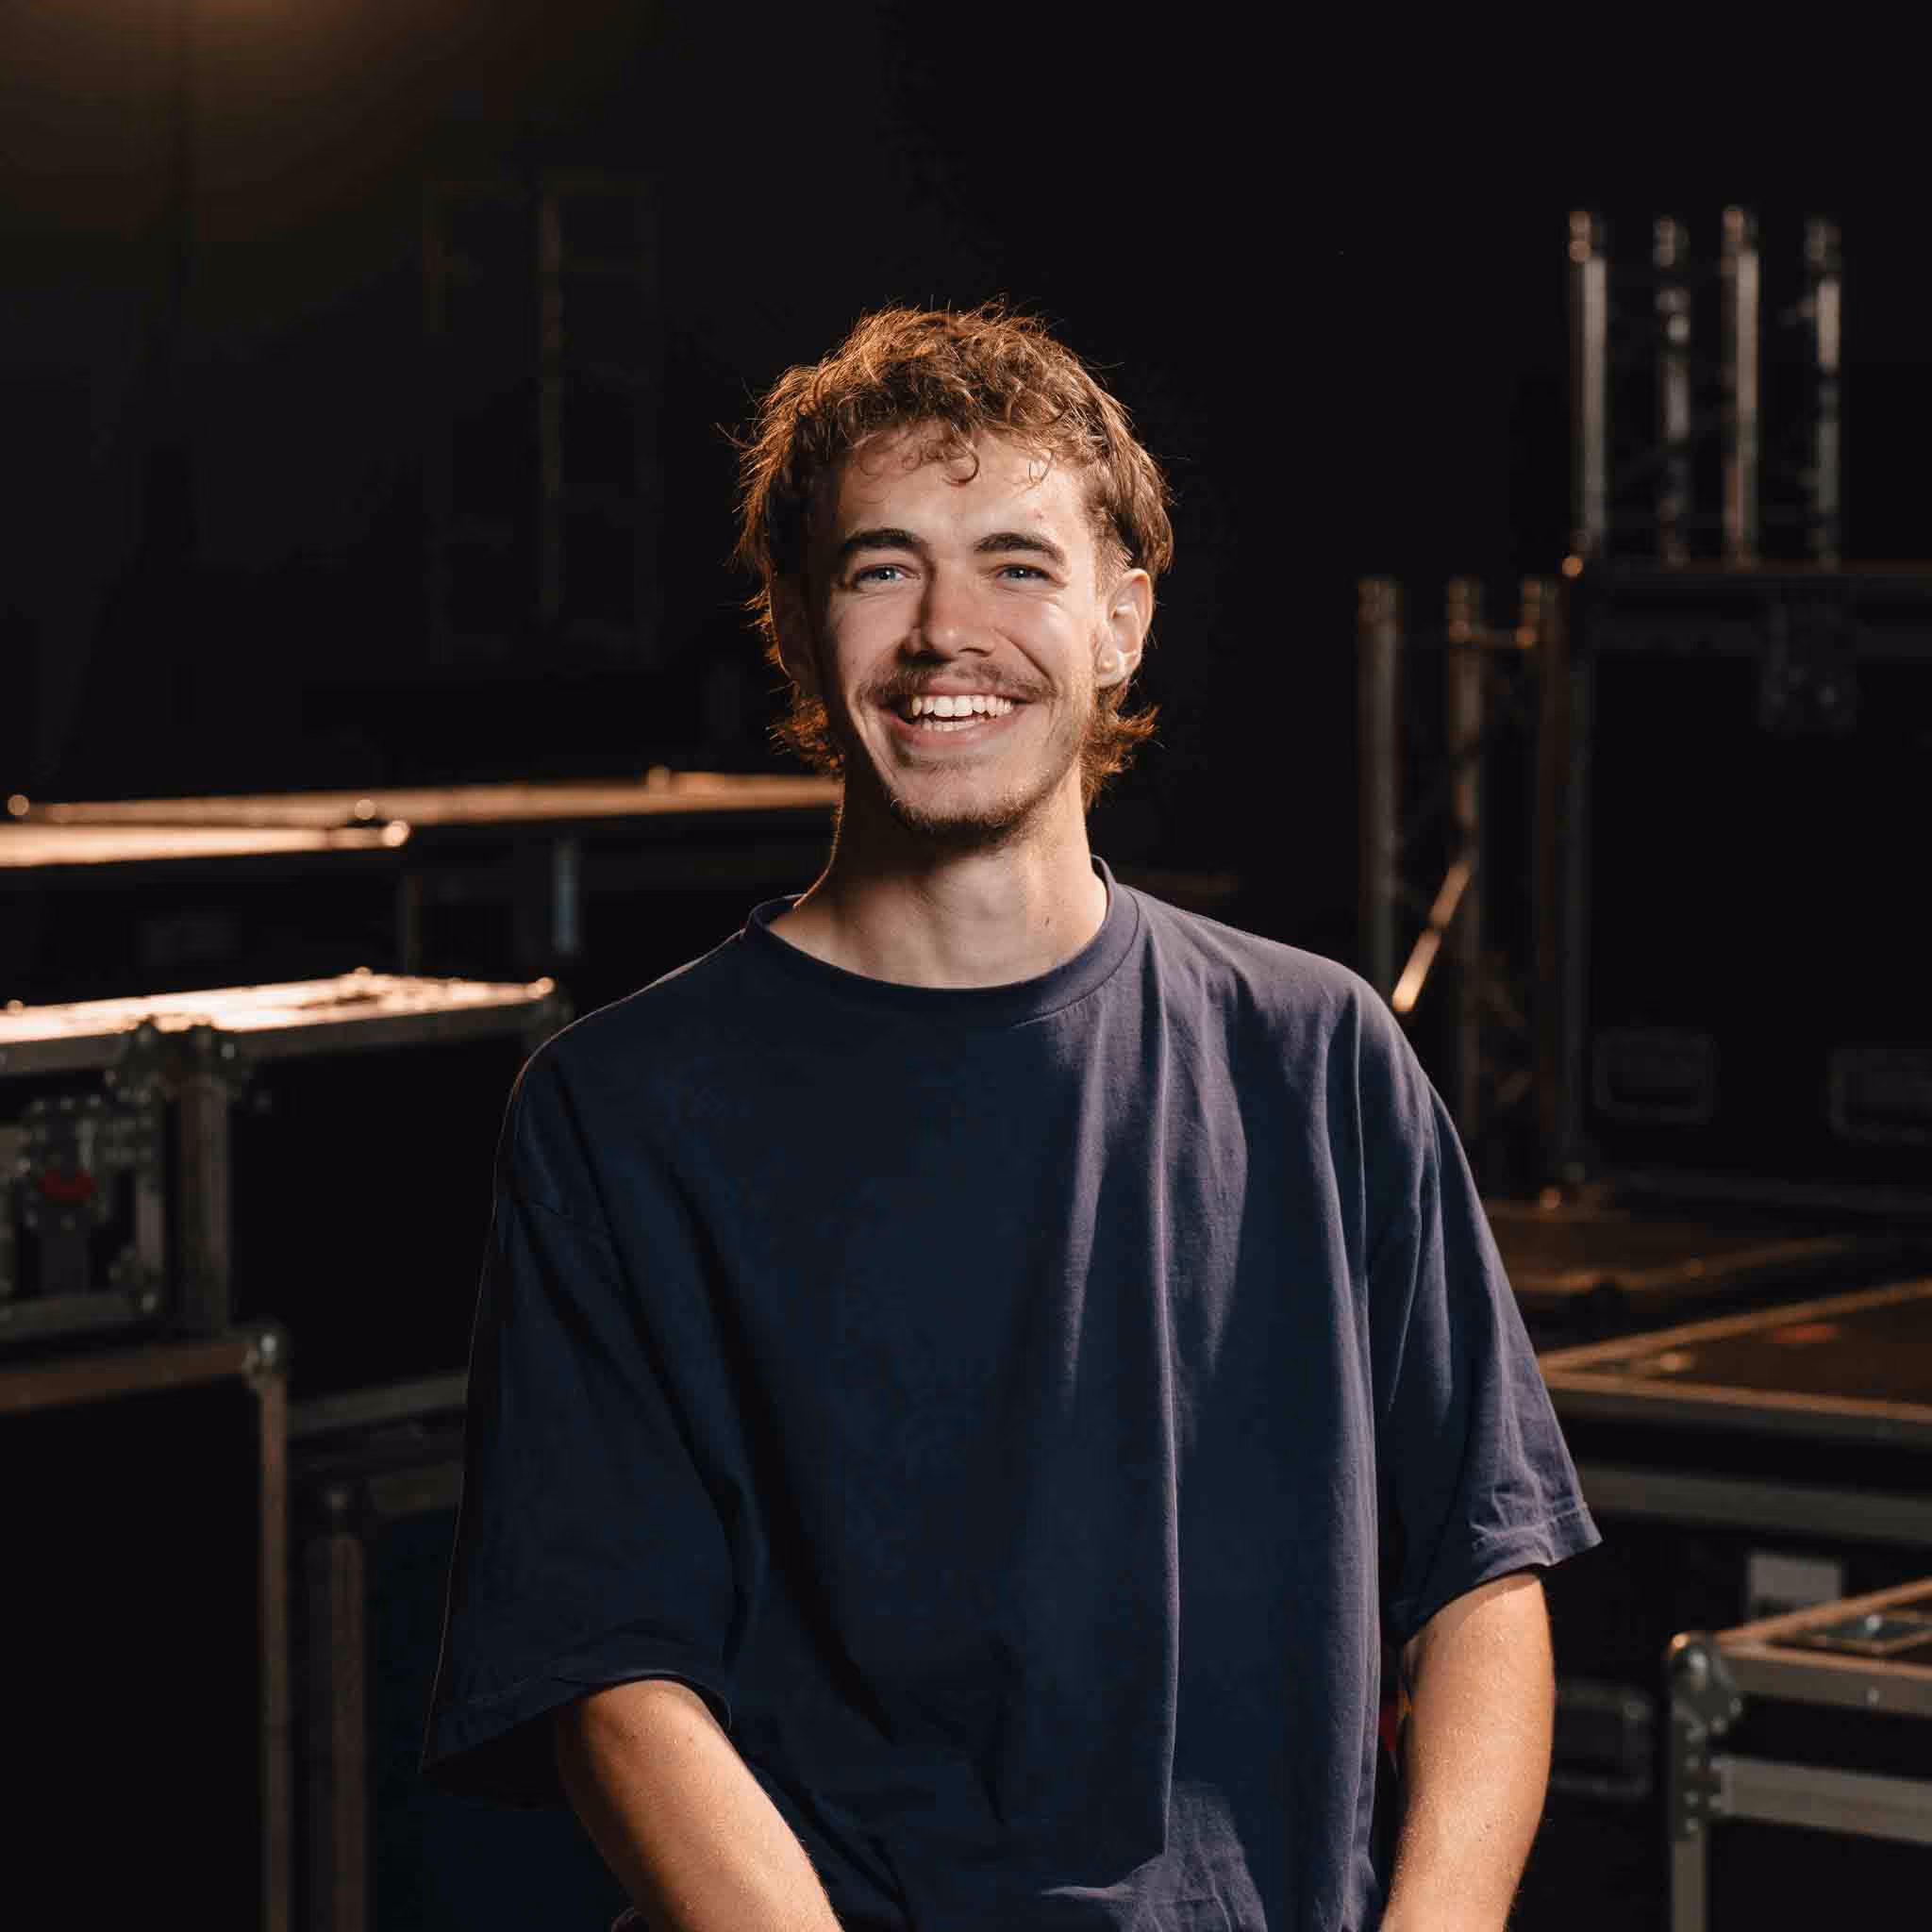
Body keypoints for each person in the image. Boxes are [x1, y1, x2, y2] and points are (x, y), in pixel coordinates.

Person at [421, 302, 1600, 1931]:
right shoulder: (619, 1113)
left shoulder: (1319, 1056)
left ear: (1122, 621)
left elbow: (1480, 1577)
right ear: (795, 626)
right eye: (881, 567)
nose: (945, 633)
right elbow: (613, 1682)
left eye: (1018, 565)